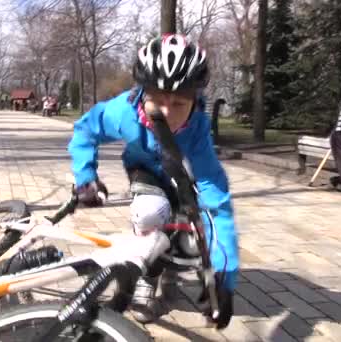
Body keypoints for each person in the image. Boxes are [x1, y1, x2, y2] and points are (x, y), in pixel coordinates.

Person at [67, 34, 238, 328]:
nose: (168, 113)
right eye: (157, 101)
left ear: (195, 100)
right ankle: (148, 276)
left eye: (179, 103)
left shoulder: (197, 127)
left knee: (193, 235)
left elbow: (216, 203)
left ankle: (170, 268)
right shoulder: (124, 111)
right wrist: (86, 177)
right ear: (142, 92)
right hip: (145, 170)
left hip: (182, 174)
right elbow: (85, 130)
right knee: (150, 212)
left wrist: (224, 275)